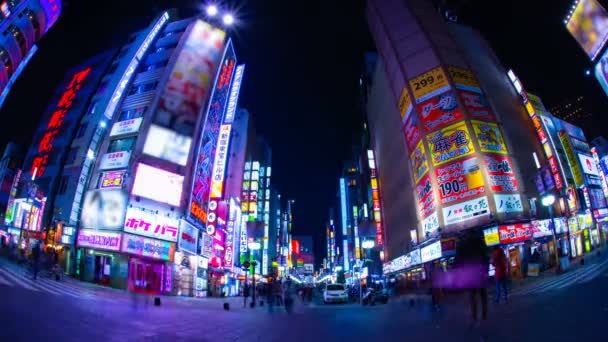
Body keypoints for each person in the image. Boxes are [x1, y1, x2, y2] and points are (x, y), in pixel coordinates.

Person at [455, 230, 489, 328]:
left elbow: (458, 260)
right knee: (482, 293)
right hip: (479, 269)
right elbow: (485, 255)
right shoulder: (479, 240)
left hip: (469, 271)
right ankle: (484, 315)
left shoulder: (461, 243)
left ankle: (475, 317)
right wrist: (485, 269)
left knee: (473, 294)